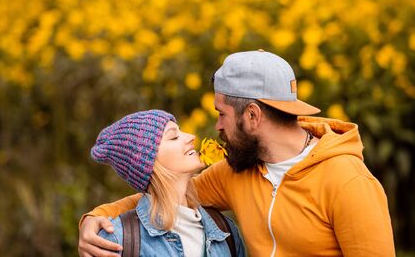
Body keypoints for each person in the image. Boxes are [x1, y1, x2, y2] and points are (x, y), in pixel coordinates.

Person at [79, 50, 395, 257]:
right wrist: (95, 219)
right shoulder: (235, 173)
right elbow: (162, 194)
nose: (216, 126)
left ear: (253, 116)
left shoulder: (348, 183)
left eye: (222, 114)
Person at [85, 109, 246, 257]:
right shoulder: (116, 240)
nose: (191, 137)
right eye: (174, 137)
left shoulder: (225, 231)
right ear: (149, 164)